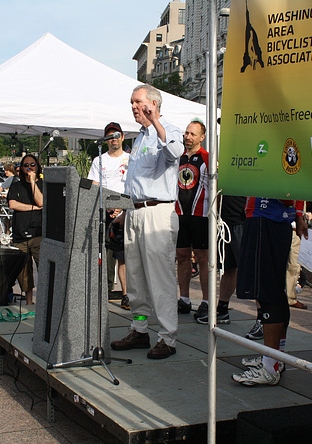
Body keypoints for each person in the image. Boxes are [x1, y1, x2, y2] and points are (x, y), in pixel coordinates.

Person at [110, 84, 183, 359]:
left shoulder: (169, 129)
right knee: (136, 278)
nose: (133, 107)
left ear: (153, 103)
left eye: (137, 101)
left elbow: (175, 152)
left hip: (157, 213)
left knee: (160, 277)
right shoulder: (139, 138)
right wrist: (124, 213)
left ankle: (168, 337)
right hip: (136, 212)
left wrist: (155, 121)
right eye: (131, 102)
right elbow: (135, 182)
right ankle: (140, 331)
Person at [232, 197, 308, 386]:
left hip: (265, 218)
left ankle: (270, 366)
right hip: (270, 219)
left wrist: (297, 214)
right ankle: (274, 358)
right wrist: (298, 215)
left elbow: (289, 189)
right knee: (274, 291)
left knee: (267, 293)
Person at [87, 122, 130, 309]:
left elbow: (133, 185)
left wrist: (122, 208)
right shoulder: (99, 160)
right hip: (104, 211)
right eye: (110, 136)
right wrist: (107, 207)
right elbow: (93, 185)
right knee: (102, 253)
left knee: (123, 255)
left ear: (122, 137)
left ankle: (126, 294)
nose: (113, 139)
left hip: (125, 211)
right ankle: (103, 289)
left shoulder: (131, 159)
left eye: (116, 135)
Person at [174, 119, 211, 321]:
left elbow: (216, 190)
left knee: (203, 259)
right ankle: (185, 299)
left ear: (202, 137)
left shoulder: (207, 158)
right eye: (186, 133)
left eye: (193, 134)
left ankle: (206, 301)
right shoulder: (177, 157)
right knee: (181, 256)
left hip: (201, 215)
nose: (188, 137)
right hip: (180, 214)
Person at [195, 195, 246, 326]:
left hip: (242, 219)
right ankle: (222, 309)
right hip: (224, 220)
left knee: (249, 270)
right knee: (228, 267)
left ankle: (263, 317)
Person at [8, 154, 43, 305]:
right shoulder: (16, 185)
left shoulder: (42, 184)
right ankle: (29, 303)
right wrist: (33, 208)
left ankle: (44, 301)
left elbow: (41, 201)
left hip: (38, 234)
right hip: (20, 235)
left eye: (32, 165)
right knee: (24, 273)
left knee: (44, 269)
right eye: (26, 165)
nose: (29, 167)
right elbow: (13, 204)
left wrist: (33, 182)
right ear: (21, 168)